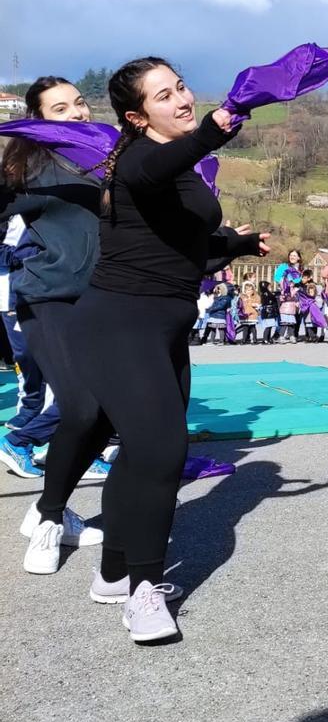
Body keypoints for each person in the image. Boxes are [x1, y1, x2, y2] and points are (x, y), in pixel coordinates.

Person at [70, 56, 268, 642]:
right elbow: (156, 170)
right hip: (118, 324)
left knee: (140, 453)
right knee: (162, 451)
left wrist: (235, 245)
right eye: (164, 96)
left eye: (181, 86)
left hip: (164, 324)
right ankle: (143, 591)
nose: (181, 99)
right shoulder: (138, 160)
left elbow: (184, 251)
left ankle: (112, 574)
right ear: (137, 116)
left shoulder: (180, 168)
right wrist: (221, 119)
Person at [0, 76, 111, 577]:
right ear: (39, 120)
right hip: (49, 299)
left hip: (107, 301)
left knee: (107, 412)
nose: (77, 112)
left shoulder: (109, 159)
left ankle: (52, 506)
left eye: (80, 102)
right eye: (60, 107)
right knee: (81, 409)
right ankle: (47, 519)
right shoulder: (32, 167)